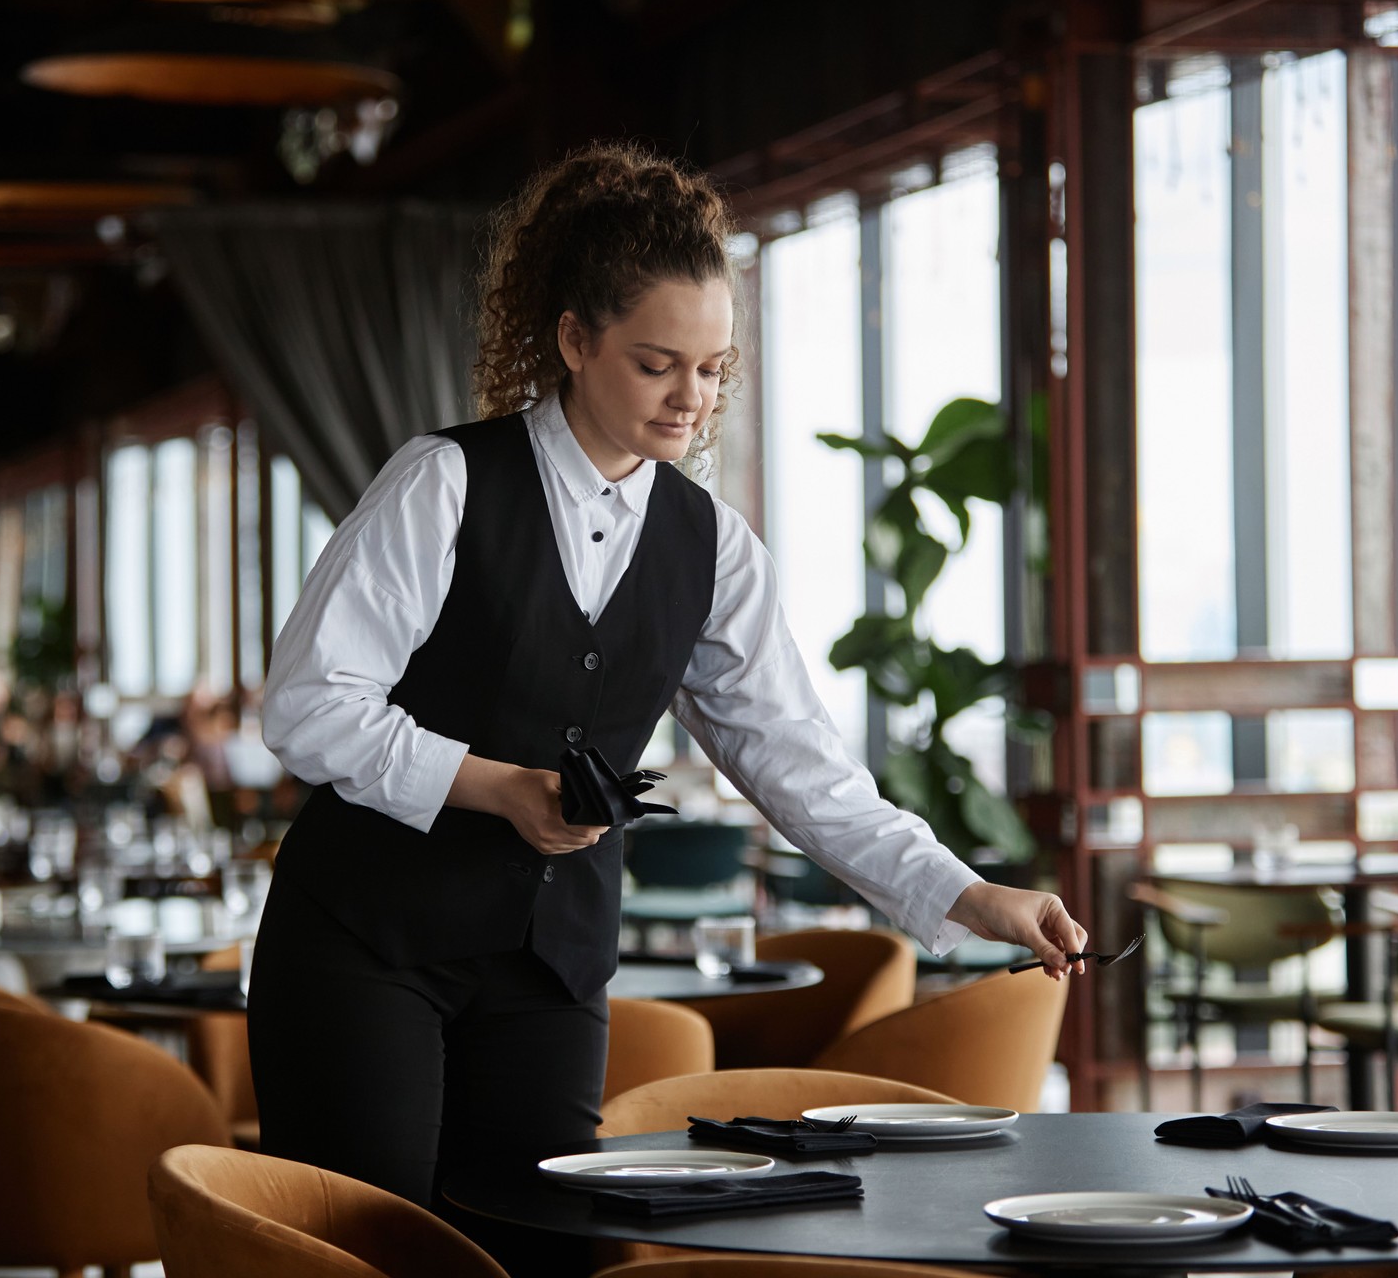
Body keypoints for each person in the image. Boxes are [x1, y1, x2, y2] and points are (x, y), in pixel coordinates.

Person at [247, 141, 1088, 1274]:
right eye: (657, 363)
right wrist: (496, 785)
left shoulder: (713, 547)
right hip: (363, 947)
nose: (691, 395)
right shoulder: (444, 482)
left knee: (557, 1254)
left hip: (548, 969)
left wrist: (969, 892)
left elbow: (800, 765)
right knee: (378, 1256)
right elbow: (307, 703)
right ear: (574, 340)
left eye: (712, 368)